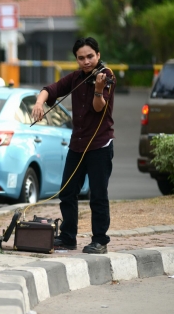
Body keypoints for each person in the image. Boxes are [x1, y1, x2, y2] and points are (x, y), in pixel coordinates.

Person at [31, 37, 115, 254]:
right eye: (81, 58)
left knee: (97, 195)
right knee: (67, 192)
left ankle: (100, 240)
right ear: (76, 59)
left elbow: (99, 108)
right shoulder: (76, 77)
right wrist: (39, 103)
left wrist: (98, 89)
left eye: (90, 56)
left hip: (100, 144)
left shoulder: (106, 76)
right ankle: (68, 238)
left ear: (97, 55)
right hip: (77, 144)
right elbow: (51, 88)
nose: (86, 61)